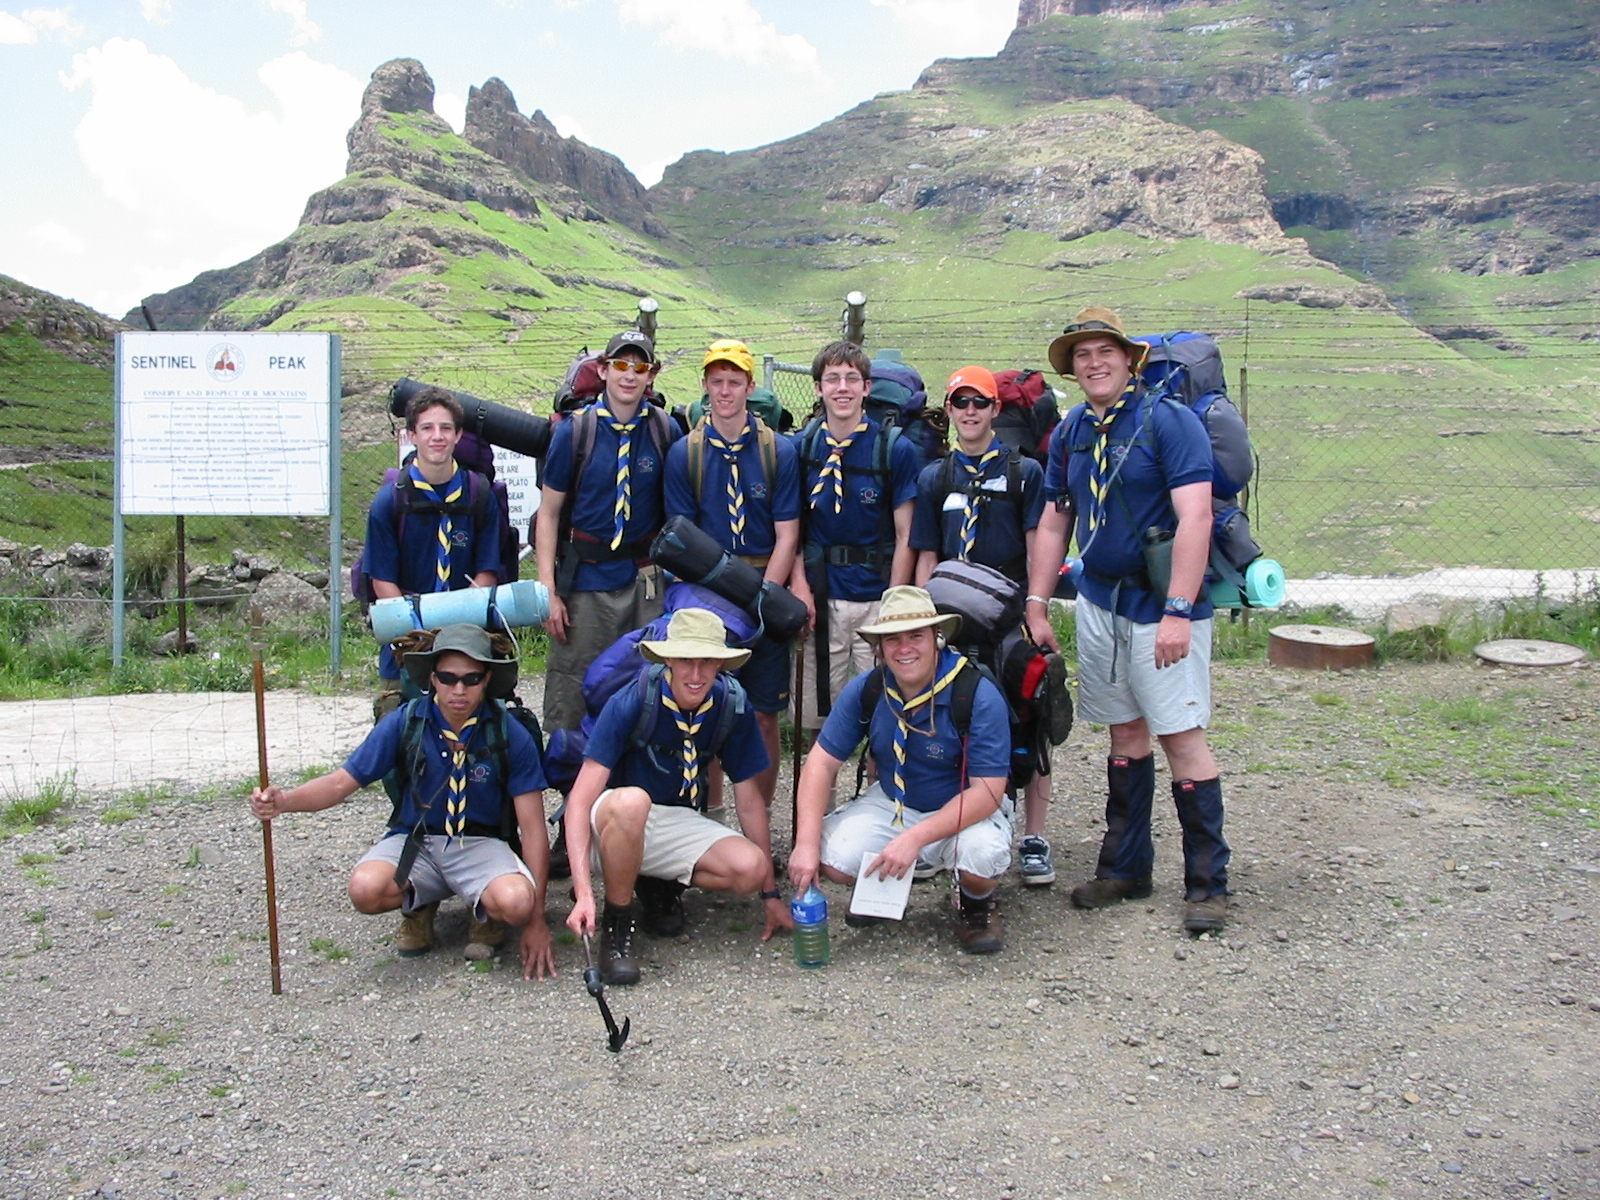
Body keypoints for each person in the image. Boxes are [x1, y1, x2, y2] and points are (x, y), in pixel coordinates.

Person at [1026, 306, 1230, 934]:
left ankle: (1208, 885)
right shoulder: (1072, 431)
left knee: (1181, 737)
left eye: (1104, 352)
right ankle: (1126, 868)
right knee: (1125, 732)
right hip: (1101, 603)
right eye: (1082, 355)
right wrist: (1037, 602)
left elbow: (1195, 517)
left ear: (1129, 359)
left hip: (1162, 606)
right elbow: (1056, 520)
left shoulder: (1169, 422)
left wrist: (1178, 611)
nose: (1094, 363)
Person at [248, 624, 555, 978]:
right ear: (433, 678)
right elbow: (340, 783)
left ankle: (484, 912)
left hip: (480, 841)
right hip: (417, 839)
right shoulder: (405, 722)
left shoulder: (507, 732)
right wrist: (284, 801)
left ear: (487, 679)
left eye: (471, 679)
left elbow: (533, 829)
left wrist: (536, 920)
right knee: (366, 890)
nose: (459, 689)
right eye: (448, 678)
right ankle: (420, 905)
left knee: (517, 902)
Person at [564, 608, 792, 984]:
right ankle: (616, 929)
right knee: (632, 802)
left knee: (750, 869)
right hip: (611, 821)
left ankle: (656, 882)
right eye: (686, 660)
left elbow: (749, 801)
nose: (697, 674)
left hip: (673, 818)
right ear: (668, 659)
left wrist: (770, 894)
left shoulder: (731, 705)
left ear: (721, 664)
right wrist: (584, 892)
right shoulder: (633, 699)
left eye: (708, 661)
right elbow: (579, 801)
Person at [789, 586, 1013, 954]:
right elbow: (821, 763)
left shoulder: (976, 692)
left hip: (963, 806)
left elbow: (988, 791)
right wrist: (805, 844)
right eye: (892, 639)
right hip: (895, 799)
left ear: (937, 638)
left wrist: (914, 838)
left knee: (982, 855)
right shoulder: (870, 688)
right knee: (836, 859)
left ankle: (975, 904)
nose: (904, 648)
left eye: (916, 636)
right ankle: (889, 887)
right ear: (878, 648)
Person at [910, 365, 1058, 887]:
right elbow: (927, 555)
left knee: (1031, 716)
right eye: (960, 402)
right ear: (949, 410)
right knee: (949, 720)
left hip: (1008, 619)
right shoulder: (935, 477)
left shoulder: (1025, 473)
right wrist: (922, 618)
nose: (970, 412)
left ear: (996, 409)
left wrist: (1037, 610)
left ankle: (1034, 838)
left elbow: (1039, 543)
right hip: (952, 619)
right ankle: (948, 831)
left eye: (980, 402)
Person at [663, 338, 800, 813]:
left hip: (764, 587)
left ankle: (759, 822)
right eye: (717, 381)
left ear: (750, 386)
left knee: (763, 714)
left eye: (734, 382)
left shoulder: (778, 451)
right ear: (705, 385)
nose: (725, 391)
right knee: (708, 708)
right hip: (707, 594)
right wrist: (717, 606)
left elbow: (787, 534)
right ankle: (714, 818)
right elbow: (683, 541)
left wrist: (761, 600)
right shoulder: (685, 454)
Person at [534, 329, 680, 736]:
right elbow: (548, 514)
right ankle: (570, 770)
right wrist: (548, 591)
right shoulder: (575, 433)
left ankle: (634, 771)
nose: (629, 375)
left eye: (640, 367)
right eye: (620, 365)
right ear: (602, 370)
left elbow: (677, 515)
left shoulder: (664, 431)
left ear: (652, 375)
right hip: (585, 581)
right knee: (575, 685)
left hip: (644, 581)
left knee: (645, 682)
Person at [791, 341, 921, 735]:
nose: (842, 388)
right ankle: (821, 777)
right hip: (821, 596)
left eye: (852, 378)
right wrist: (799, 587)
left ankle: (879, 776)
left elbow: (906, 533)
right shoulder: (801, 448)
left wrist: (894, 604)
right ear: (818, 388)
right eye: (832, 379)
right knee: (817, 712)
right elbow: (791, 528)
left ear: (867, 387)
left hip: (875, 596)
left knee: (888, 711)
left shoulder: (894, 449)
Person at [365, 388, 501, 710]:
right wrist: (417, 630)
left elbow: (487, 573)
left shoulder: (480, 495)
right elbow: (382, 580)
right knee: (399, 723)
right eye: (427, 428)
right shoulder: (390, 501)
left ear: (458, 435)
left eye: (446, 428)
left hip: (466, 641)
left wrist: (456, 629)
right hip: (407, 640)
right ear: (411, 435)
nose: (437, 436)